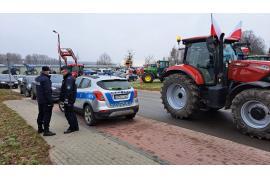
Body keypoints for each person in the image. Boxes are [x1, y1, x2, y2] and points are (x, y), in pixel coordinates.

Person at [35, 66, 56, 136]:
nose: (49, 72)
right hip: (46, 101)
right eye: (48, 71)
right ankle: (46, 131)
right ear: (46, 71)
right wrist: (51, 102)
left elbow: (38, 90)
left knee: (40, 114)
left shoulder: (38, 79)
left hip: (40, 100)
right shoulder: (46, 79)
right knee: (47, 115)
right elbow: (47, 92)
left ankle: (40, 128)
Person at [60, 66, 79, 134]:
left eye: (63, 72)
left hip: (68, 100)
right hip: (70, 99)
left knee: (68, 114)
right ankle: (75, 127)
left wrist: (66, 99)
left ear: (66, 71)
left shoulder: (69, 79)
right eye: (61, 72)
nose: (62, 73)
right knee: (72, 113)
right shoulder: (68, 78)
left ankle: (72, 127)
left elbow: (68, 90)